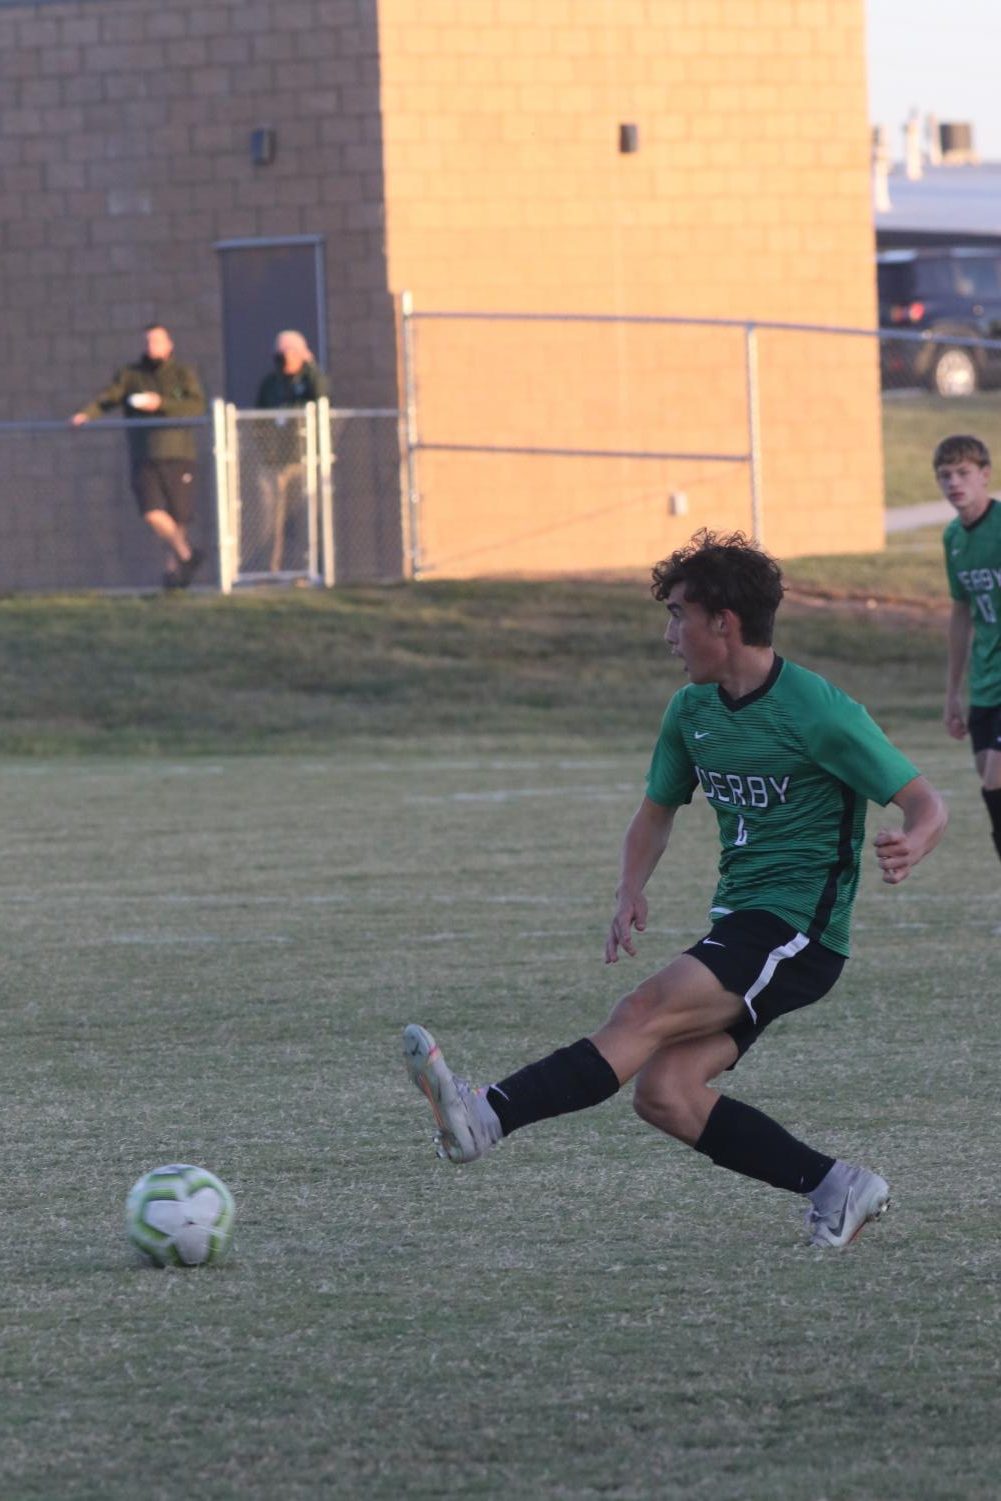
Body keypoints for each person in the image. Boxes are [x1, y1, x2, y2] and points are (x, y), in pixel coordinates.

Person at [403, 529, 947, 1249]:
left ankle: (487, 1114)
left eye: (677, 615)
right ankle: (836, 1184)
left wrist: (913, 838)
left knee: (643, 1007)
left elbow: (924, 800)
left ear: (722, 622)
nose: (668, 636)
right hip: (744, 923)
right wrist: (630, 889)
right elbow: (655, 812)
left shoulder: (819, 711)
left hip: (798, 931)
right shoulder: (691, 713)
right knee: (664, 1093)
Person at [71, 324, 207, 588]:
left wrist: (162, 404)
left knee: (178, 517)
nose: (151, 347)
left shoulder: (182, 373)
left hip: (178, 454)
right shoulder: (131, 375)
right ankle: (187, 556)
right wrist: (86, 414)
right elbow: (108, 398)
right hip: (145, 455)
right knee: (152, 512)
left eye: (157, 341)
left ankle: (174, 575)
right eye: (147, 342)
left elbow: (196, 405)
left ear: (169, 345)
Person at [934, 433, 1001, 864]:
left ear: (985, 475)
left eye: (963, 472)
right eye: (945, 475)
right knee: (989, 783)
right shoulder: (953, 538)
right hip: (986, 683)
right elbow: (962, 614)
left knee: (996, 778)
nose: (954, 482)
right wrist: (953, 692)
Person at [254, 331, 330, 573]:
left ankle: (306, 569)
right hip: (274, 463)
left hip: (303, 460)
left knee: (304, 518)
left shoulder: (310, 380)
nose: (285, 357)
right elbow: (259, 420)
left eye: (290, 351)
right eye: (280, 352)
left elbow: (322, 397)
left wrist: (310, 367)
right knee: (270, 521)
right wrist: (267, 450)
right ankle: (272, 571)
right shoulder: (270, 384)